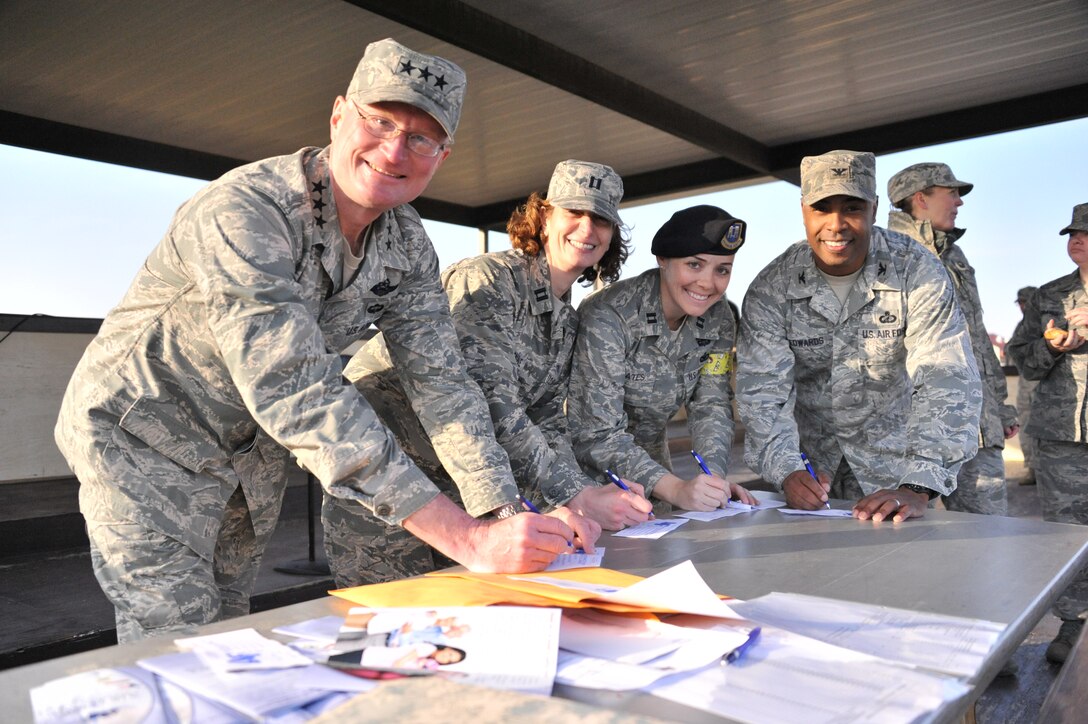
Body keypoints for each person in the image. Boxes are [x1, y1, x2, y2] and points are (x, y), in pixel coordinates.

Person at [53, 38, 594, 642]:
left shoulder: (407, 243)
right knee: (175, 638)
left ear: (442, 155)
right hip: (145, 438)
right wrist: (466, 539)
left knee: (225, 629)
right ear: (339, 115)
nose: (394, 150)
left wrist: (502, 514)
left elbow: (443, 383)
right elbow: (294, 386)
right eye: (380, 120)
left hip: (246, 453)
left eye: (420, 137)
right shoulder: (246, 209)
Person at [323, 160, 643, 586]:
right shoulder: (488, 281)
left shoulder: (565, 321)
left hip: (468, 490)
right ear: (545, 218)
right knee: (389, 625)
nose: (587, 229)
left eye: (601, 220)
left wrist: (581, 498)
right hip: (391, 481)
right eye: (574, 213)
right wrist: (576, 494)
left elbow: (547, 420)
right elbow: (493, 404)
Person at [736, 150, 982, 522]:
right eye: (822, 208)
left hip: (895, 474)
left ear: (874, 208)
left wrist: (918, 484)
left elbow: (945, 376)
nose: (836, 224)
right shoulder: (773, 288)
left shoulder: (917, 270)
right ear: (803, 209)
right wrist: (785, 468)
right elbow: (763, 392)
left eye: (852, 207)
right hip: (809, 475)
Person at [568, 205, 758, 512]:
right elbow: (596, 434)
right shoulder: (610, 314)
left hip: (655, 479)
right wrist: (676, 489)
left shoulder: (719, 317)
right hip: (583, 484)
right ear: (663, 260)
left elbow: (711, 404)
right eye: (695, 265)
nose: (708, 283)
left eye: (722, 269)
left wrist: (712, 481)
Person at [885, 163, 1018, 516]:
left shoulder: (955, 256)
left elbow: (976, 338)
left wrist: (999, 407)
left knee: (987, 539)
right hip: (910, 433)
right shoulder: (886, 255)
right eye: (952, 193)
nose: (959, 202)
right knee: (897, 545)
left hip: (976, 429)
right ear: (920, 198)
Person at [1006, 203, 1088, 664]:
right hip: (1061, 436)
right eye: (1071, 233)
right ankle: (1074, 625)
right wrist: (1052, 346)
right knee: (1069, 535)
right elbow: (1023, 357)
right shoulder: (1048, 296)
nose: (1076, 240)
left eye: (1085, 233)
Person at [1011, 286, 1040, 485]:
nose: (1022, 306)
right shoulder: (1022, 326)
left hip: (1042, 386)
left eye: (1026, 302)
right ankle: (1032, 468)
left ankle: (1042, 470)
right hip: (1025, 384)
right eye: (1020, 302)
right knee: (1027, 426)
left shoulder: (1045, 322)